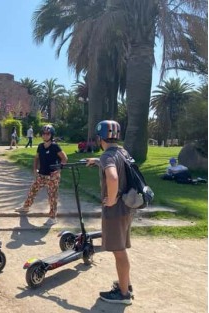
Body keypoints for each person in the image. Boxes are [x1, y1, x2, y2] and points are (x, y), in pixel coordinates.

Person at [84, 120, 133, 305]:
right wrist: (97, 162)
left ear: (100, 137)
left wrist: (111, 199)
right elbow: (117, 167)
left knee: (119, 252)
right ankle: (125, 284)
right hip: (127, 207)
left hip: (115, 210)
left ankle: (123, 294)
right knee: (121, 250)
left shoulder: (107, 156)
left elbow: (113, 177)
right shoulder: (123, 152)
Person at [15, 125, 68, 225]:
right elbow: (36, 158)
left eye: (48, 134)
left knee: (52, 196)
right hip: (42, 174)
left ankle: (52, 217)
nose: (45, 135)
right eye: (43, 134)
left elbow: (64, 158)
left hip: (53, 176)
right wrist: (35, 169)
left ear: (51, 135)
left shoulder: (55, 146)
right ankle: (26, 207)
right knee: (33, 190)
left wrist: (59, 169)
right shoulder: (40, 146)